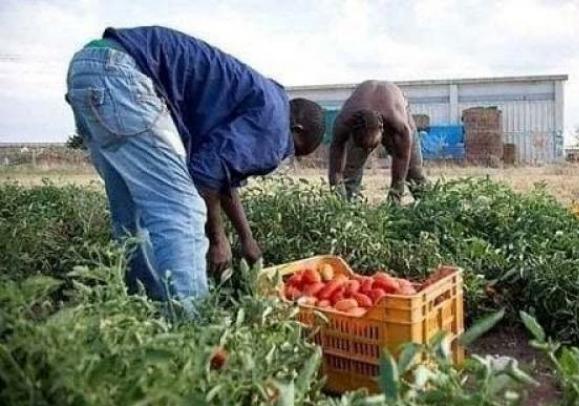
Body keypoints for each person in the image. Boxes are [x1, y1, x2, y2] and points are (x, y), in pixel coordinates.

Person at [65, 26, 324, 307]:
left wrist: (246, 239)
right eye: (293, 151)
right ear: (296, 130)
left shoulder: (264, 101)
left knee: (132, 214)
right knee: (183, 211)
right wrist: (218, 240)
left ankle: (146, 311)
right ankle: (193, 331)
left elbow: (222, 177)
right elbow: (205, 173)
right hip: (124, 75)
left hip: (90, 67)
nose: (282, 157)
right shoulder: (275, 128)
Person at [328, 80, 427, 202]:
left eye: (371, 147)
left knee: (414, 172)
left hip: (396, 106)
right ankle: (349, 208)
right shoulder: (343, 122)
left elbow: (401, 160)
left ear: (382, 129)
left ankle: (430, 208)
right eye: (364, 147)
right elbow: (335, 171)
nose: (369, 151)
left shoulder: (400, 125)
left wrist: (394, 198)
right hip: (362, 113)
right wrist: (338, 198)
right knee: (350, 173)